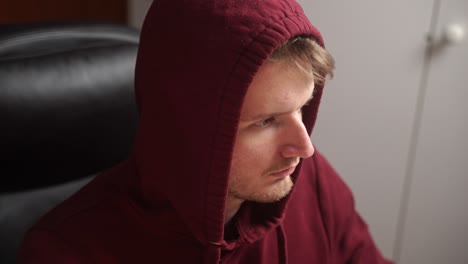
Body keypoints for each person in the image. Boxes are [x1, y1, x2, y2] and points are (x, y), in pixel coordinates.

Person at [19, 0, 393, 263]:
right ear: (189, 130)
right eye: (267, 121)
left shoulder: (312, 183)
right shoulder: (61, 252)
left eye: (301, 109)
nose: (304, 148)